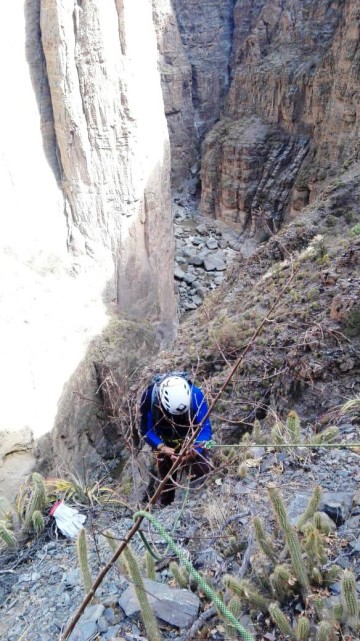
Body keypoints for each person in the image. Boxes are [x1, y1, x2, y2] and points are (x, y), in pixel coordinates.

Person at [140, 373, 212, 506]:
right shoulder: (150, 397)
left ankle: (202, 498)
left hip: (192, 440)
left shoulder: (196, 395)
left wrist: (195, 449)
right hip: (164, 442)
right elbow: (146, 431)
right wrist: (162, 447)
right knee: (166, 479)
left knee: (203, 467)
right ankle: (165, 505)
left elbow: (206, 429)